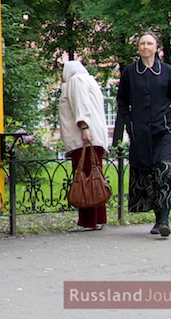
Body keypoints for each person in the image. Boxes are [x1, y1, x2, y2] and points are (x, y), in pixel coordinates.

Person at [115, 31, 171, 237]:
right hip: (140, 132)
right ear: (138, 48)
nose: (145, 47)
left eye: (149, 43)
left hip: (164, 131)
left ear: (156, 47)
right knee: (148, 174)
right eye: (142, 43)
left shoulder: (166, 71)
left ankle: (164, 220)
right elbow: (122, 100)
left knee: (165, 170)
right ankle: (157, 219)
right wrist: (128, 121)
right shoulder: (130, 73)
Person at [59, 60, 110, 232]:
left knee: (85, 179)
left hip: (84, 139)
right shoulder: (90, 81)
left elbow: (81, 105)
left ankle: (88, 221)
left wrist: (84, 126)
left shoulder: (76, 80)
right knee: (95, 178)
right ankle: (99, 218)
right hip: (95, 137)